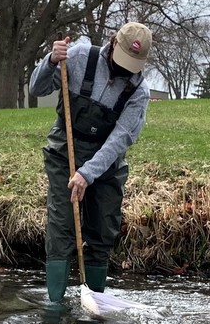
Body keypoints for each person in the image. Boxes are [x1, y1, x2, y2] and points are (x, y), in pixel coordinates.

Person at [30, 22, 153, 303]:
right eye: (123, 61)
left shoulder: (139, 92)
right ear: (112, 44)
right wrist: (50, 61)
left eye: (132, 65)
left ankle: (96, 301)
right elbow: (37, 88)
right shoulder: (80, 56)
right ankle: (55, 306)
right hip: (65, 153)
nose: (125, 70)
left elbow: (120, 139)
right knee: (62, 228)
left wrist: (88, 173)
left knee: (102, 230)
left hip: (106, 164)